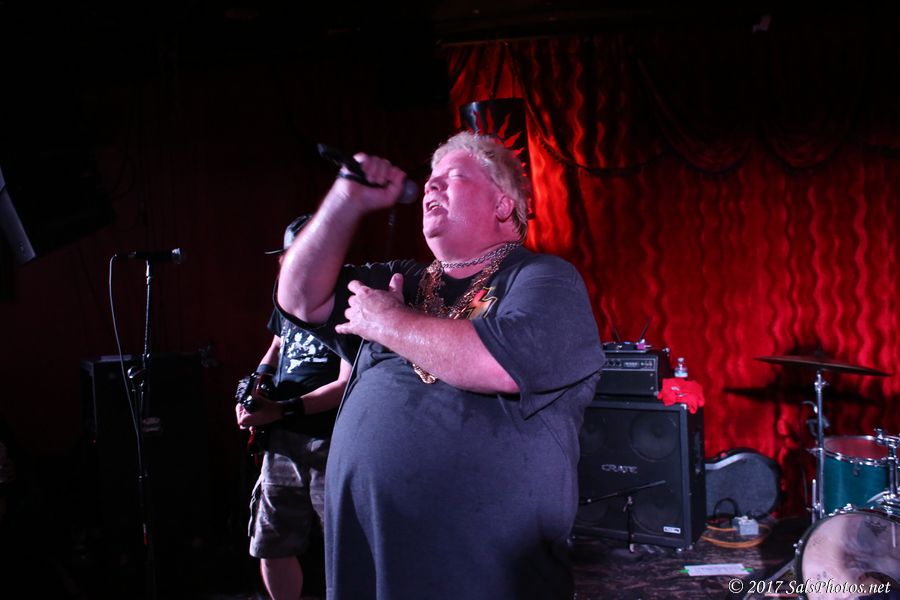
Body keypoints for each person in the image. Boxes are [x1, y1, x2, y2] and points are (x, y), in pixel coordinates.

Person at [276, 132, 605, 599]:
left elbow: (498, 364)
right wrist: (347, 198)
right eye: (431, 179)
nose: (431, 186)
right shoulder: (402, 280)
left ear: (502, 205)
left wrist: (388, 322)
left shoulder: (543, 278)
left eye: (453, 178)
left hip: (478, 565)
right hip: (371, 555)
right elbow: (298, 299)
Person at [236, 215, 352, 600]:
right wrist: (256, 384)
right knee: (272, 544)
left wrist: (282, 409)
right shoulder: (287, 298)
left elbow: (345, 384)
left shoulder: (348, 299)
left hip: (330, 442)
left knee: (345, 546)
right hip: (283, 442)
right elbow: (276, 345)